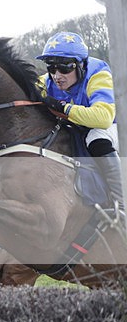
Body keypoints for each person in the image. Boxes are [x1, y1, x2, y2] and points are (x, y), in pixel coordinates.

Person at [36, 31, 123, 217]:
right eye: (51, 68)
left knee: (97, 137)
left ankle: (122, 205)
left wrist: (64, 108)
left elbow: (103, 118)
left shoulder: (98, 73)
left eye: (64, 68)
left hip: (112, 127)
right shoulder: (46, 81)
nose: (57, 75)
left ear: (80, 65)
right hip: (79, 127)